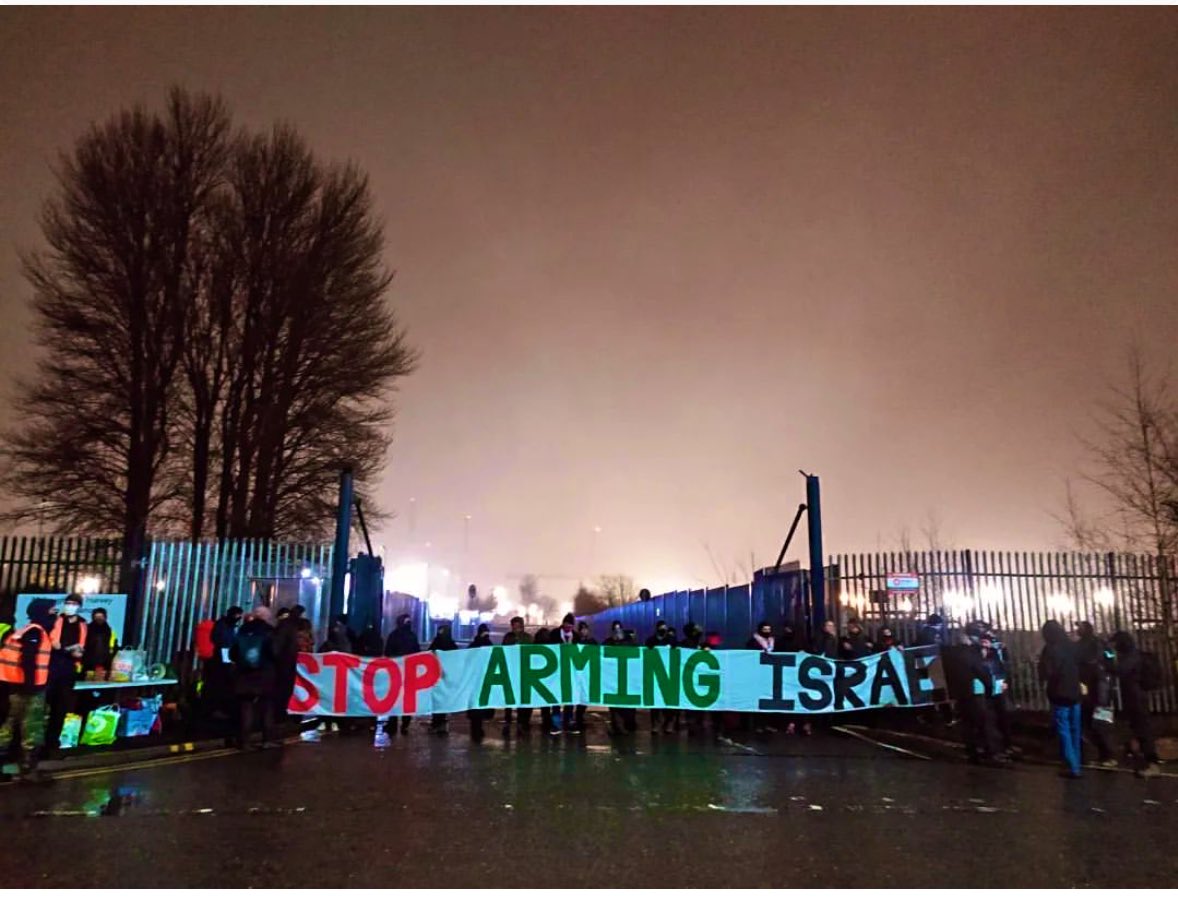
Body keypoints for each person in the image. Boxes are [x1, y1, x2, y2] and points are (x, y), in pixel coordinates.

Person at [0, 597, 56, 783]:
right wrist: (31, 686)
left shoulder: (22, 631)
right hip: (29, 689)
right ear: (42, 612)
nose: (54, 614)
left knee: (7, 728)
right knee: (32, 729)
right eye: (51, 611)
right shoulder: (36, 632)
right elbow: (29, 660)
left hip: (12, 686)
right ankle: (28, 770)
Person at [1109, 631, 1161, 778]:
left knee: (1143, 729)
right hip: (1135, 697)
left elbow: (1119, 670)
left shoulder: (1131, 657)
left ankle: (1153, 763)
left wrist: (1110, 657)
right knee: (1138, 727)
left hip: (1136, 698)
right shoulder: (1133, 655)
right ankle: (1142, 756)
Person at [230, 606, 280, 750]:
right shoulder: (269, 631)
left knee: (246, 707)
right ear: (266, 617)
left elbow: (233, 653)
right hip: (264, 674)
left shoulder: (243, 630)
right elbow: (275, 652)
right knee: (267, 707)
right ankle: (267, 740)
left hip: (244, 674)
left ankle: (245, 741)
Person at [1038, 619, 1083, 778]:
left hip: (1059, 693)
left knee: (1063, 729)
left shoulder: (1050, 649)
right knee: (1075, 728)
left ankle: (1072, 766)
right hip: (1075, 691)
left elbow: (1046, 673)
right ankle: (1077, 762)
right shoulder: (1071, 646)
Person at [45, 593, 87, 753]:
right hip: (53, 667)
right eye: (68, 603)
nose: (70, 606)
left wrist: (77, 653)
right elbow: (53, 643)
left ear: (79, 606)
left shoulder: (82, 624)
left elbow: (82, 646)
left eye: (74, 603)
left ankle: (52, 743)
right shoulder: (57, 620)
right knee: (46, 705)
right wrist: (67, 650)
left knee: (60, 708)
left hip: (69, 670)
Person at [1074, 622, 1116, 767]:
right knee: (1098, 721)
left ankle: (1108, 755)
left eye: (1079, 627)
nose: (1077, 630)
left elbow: (1080, 664)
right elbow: (1111, 657)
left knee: (1098, 722)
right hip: (1098, 686)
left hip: (1096, 687)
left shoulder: (1083, 646)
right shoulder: (1101, 643)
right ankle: (1105, 755)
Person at [385, 613, 422, 734]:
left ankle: (392, 724)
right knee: (407, 699)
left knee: (394, 698)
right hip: (409, 673)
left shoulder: (393, 636)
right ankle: (405, 724)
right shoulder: (412, 636)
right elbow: (417, 653)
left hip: (395, 672)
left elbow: (387, 653)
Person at [547, 613, 580, 735]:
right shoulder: (554, 634)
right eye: (566, 624)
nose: (568, 627)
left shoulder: (576, 636)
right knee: (556, 697)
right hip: (556, 671)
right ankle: (556, 724)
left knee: (570, 696)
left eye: (570, 625)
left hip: (570, 672)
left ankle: (569, 721)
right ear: (563, 623)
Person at [271, 605, 306, 722]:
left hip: (284, 663)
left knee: (282, 691)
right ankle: (285, 716)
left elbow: (277, 646)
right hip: (289, 662)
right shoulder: (296, 626)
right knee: (286, 691)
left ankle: (280, 716)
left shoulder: (284, 625)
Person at [604, 621, 637, 735]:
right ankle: (616, 726)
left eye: (619, 629)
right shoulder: (608, 642)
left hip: (627, 679)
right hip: (613, 680)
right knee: (614, 705)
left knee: (628, 705)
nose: (617, 632)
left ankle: (629, 724)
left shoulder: (630, 642)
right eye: (615, 629)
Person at [501, 616, 533, 735]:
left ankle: (521, 722)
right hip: (510, 670)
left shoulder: (528, 638)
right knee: (509, 697)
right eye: (514, 627)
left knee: (521, 697)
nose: (516, 629)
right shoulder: (508, 638)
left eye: (518, 627)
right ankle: (508, 720)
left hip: (523, 671)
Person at [645, 620, 678, 733]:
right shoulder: (650, 641)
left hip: (668, 674)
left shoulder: (671, 640)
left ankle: (668, 723)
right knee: (655, 702)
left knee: (668, 701)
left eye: (665, 628)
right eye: (661, 628)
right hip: (655, 674)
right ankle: (656, 724)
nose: (663, 630)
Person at [746, 622, 777, 735]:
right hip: (757, 674)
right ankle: (757, 725)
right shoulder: (753, 641)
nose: (767, 631)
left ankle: (767, 724)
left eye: (769, 629)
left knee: (769, 699)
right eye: (764, 629)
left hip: (770, 673)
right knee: (758, 700)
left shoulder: (773, 641)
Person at [428, 624, 458, 735]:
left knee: (438, 699)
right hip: (443, 676)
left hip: (439, 676)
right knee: (442, 699)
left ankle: (437, 722)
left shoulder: (437, 642)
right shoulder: (451, 644)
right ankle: (440, 723)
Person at [467, 624, 494, 741]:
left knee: (478, 707)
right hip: (478, 680)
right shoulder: (476, 645)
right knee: (477, 707)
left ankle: (477, 729)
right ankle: (476, 729)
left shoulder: (477, 644)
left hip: (480, 680)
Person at [81, 606, 118, 677]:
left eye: (101, 616)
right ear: (93, 617)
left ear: (105, 617)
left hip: (105, 665)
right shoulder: (87, 629)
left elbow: (114, 647)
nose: (99, 619)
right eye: (96, 617)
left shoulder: (109, 631)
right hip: (88, 665)